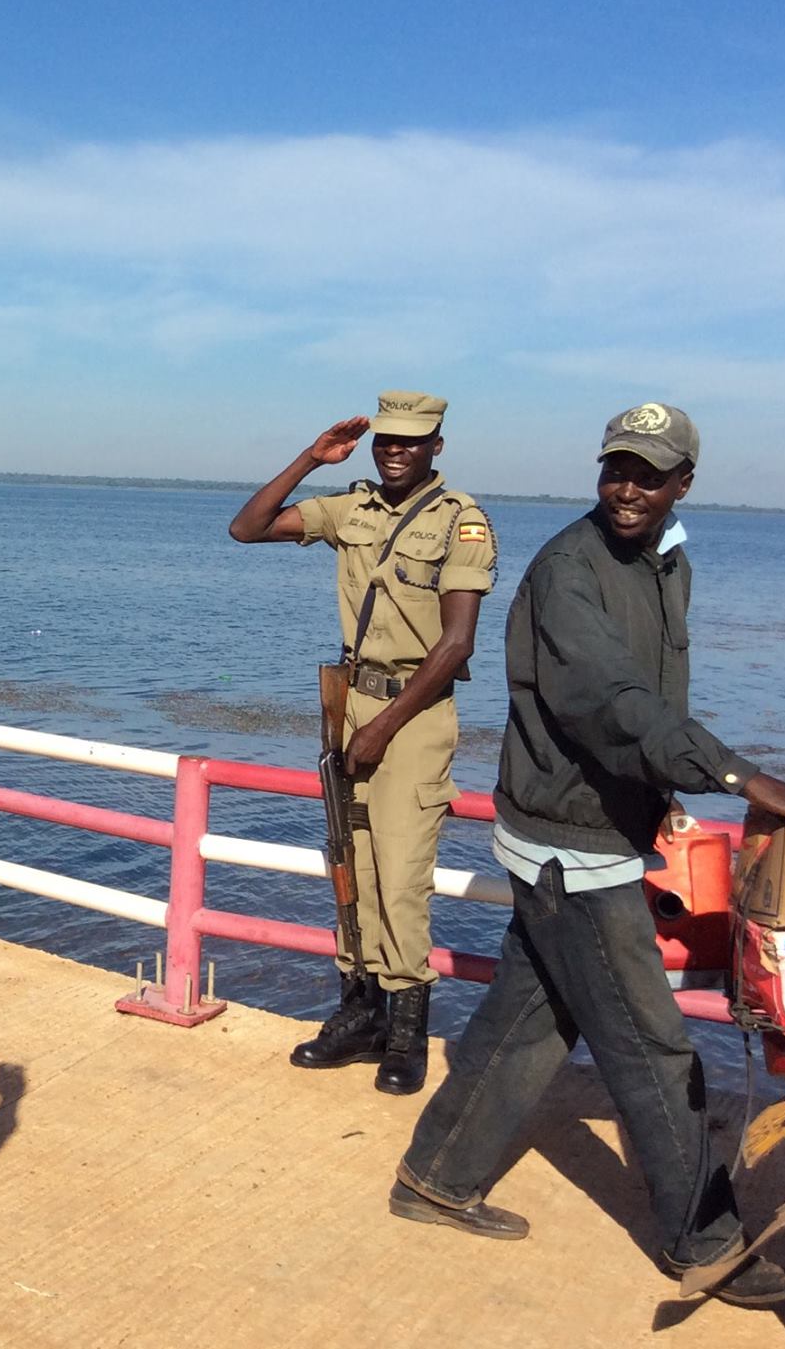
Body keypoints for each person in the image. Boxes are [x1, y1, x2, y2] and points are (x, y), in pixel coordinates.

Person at [391, 402, 785, 1309]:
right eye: (615, 468)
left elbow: (653, 695)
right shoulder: (567, 570)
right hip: (567, 848)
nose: (626, 488)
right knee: (656, 1051)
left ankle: (436, 1173)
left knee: (532, 1016)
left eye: (648, 474)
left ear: (682, 485)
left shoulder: (667, 562)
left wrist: (660, 795)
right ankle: (705, 1243)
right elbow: (607, 702)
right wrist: (738, 775)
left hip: (593, 830)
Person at [228, 391, 495, 1094]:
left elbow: (457, 641)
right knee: (350, 864)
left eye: (411, 441)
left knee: (400, 874)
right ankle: (361, 1011)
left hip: (413, 711)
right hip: (349, 704)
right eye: (386, 441)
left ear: (437, 444)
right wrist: (311, 458)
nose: (396, 451)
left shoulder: (459, 521)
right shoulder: (353, 509)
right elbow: (246, 528)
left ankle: (408, 1030)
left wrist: (381, 726)